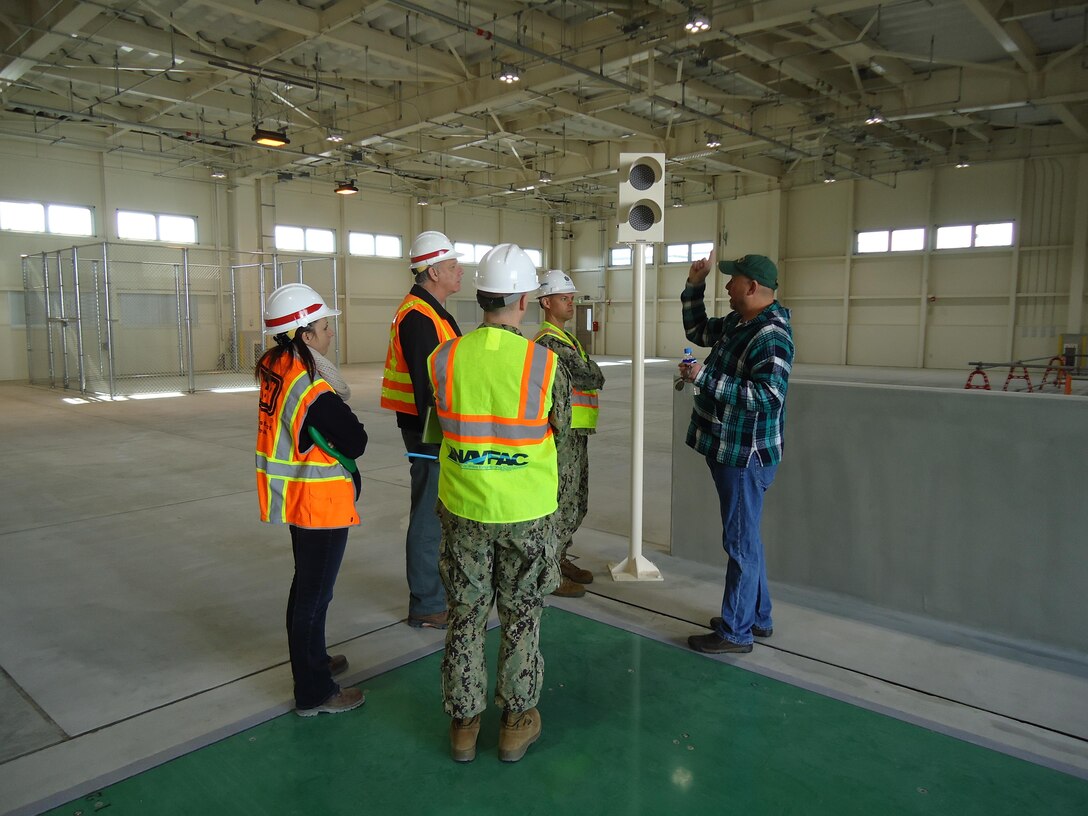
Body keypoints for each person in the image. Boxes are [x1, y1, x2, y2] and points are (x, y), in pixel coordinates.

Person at [427, 243, 570, 764]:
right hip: (526, 513)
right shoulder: (543, 362)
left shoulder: (442, 358)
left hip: (464, 509)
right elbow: (561, 432)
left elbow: (437, 429)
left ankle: (463, 726)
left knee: (465, 616)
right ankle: (515, 723)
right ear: (525, 299)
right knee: (522, 615)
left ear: (482, 298)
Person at [255, 283, 368, 715]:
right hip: (318, 503)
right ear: (304, 335)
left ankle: (314, 660)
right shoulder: (309, 386)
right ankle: (314, 691)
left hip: (299, 499)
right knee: (313, 595)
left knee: (308, 587)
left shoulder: (277, 368)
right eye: (324, 327)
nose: (330, 333)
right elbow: (355, 440)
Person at [678, 253, 794, 655]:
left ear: (751, 287)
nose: (725, 287)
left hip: (746, 457)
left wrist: (704, 376)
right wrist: (695, 285)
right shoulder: (739, 323)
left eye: (732, 281)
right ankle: (756, 616)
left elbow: (769, 396)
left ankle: (736, 632)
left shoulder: (771, 335)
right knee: (747, 539)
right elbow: (698, 329)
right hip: (729, 449)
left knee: (741, 543)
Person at [380, 231, 463, 629]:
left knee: (438, 513)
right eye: (451, 266)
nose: (459, 272)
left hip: (433, 430)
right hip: (427, 432)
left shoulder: (434, 312)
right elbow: (428, 388)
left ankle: (435, 593)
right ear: (432, 272)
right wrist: (450, 434)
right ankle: (427, 603)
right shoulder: (418, 316)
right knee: (429, 515)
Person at [533, 269, 604, 598]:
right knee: (561, 503)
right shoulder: (549, 341)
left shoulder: (566, 339)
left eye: (572, 298)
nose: (571, 304)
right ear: (546, 302)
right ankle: (550, 571)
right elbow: (591, 375)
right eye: (565, 298)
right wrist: (590, 369)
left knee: (577, 501)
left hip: (576, 431)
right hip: (562, 434)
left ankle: (560, 558)